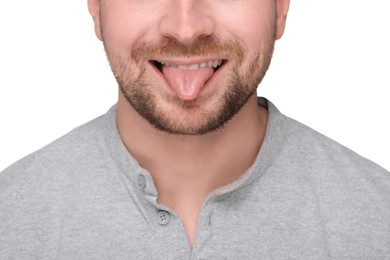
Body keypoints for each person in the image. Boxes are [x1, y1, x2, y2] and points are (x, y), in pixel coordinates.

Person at [0, 0, 389, 258]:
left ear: (281, 7)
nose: (186, 29)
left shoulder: (379, 219)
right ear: (96, 9)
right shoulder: (10, 221)